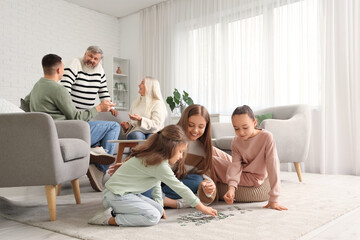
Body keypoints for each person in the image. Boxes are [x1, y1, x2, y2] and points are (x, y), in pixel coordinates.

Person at [23, 53, 120, 192]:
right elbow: (76, 117)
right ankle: (99, 168)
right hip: (67, 133)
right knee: (113, 126)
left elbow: (25, 106)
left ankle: (94, 152)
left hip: (49, 134)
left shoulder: (37, 87)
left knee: (100, 130)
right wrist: (99, 108)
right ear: (59, 70)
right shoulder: (58, 89)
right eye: (63, 67)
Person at [88, 125, 218, 227]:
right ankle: (108, 219)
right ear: (170, 148)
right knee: (152, 217)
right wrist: (202, 207)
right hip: (115, 196)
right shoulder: (160, 164)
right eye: (180, 152)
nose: (180, 157)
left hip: (128, 194)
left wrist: (160, 207)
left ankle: (119, 210)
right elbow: (179, 187)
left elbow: (156, 185)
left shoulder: (155, 159)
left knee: (158, 210)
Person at [222, 105, 288, 211]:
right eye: (236, 128)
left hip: (254, 178)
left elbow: (273, 166)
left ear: (254, 122)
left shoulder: (266, 137)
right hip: (242, 171)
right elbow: (235, 165)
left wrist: (274, 199)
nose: (241, 132)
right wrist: (231, 189)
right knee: (212, 151)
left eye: (245, 127)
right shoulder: (236, 141)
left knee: (213, 161)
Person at [60, 45, 118, 117]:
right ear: (85, 54)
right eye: (90, 56)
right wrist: (69, 111)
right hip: (72, 113)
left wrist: (111, 107)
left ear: (99, 61)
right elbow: (65, 89)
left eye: (95, 59)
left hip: (87, 115)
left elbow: (103, 91)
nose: (92, 60)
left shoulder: (100, 70)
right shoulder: (74, 63)